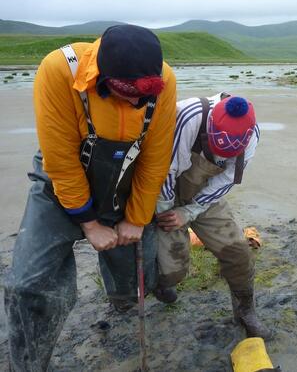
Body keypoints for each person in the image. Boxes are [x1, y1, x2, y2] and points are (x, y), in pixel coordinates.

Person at [4, 24, 177, 371]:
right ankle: (28, 363)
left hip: (126, 173)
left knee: (134, 275)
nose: (138, 103)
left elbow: (155, 157)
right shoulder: (58, 70)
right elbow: (61, 161)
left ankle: (123, 304)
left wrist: (136, 218)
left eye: (146, 97)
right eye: (130, 94)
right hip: (60, 178)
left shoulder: (163, 78)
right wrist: (90, 223)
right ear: (104, 79)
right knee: (27, 284)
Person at [155, 93, 270, 339]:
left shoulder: (252, 136)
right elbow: (165, 170)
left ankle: (245, 312)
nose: (225, 152)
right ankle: (160, 285)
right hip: (166, 192)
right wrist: (167, 212)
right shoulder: (188, 116)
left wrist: (190, 211)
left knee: (238, 253)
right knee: (172, 270)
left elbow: (226, 179)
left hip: (204, 195)